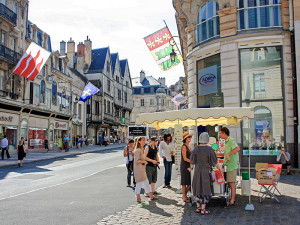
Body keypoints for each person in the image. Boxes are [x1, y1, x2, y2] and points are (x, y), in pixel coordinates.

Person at [190, 132, 220, 214]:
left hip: (197, 171)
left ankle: (198, 207)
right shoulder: (210, 149)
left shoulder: (195, 149)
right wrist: (219, 168)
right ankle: (203, 209)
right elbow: (214, 161)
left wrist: (190, 168)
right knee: (205, 189)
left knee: (197, 187)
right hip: (206, 171)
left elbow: (192, 162)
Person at [219, 127, 240, 207]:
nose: (219, 135)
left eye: (220, 133)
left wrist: (228, 154)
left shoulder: (231, 140)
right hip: (228, 165)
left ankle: (232, 200)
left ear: (224, 133)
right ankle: (230, 198)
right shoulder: (227, 141)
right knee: (229, 182)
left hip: (231, 165)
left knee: (232, 183)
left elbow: (237, 148)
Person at [134, 136, 158, 203]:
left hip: (142, 169)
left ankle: (151, 196)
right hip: (138, 170)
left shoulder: (141, 149)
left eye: (144, 140)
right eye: (143, 140)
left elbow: (143, 158)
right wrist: (144, 161)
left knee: (146, 182)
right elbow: (136, 161)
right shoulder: (138, 150)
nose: (144, 141)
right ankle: (138, 198)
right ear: (139, 141)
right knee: (139, 184)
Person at [181, 132, 193, 203]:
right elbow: (185, 158)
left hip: (188, 165)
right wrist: (192, 161)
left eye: (190, 137)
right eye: (189, 137)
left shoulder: (188, 146)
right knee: (185, 182)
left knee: (189, 182)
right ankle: (184, 196)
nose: (190, 138)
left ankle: (184, 195)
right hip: (185, 165)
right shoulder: (184, 146)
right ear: (186, 139)